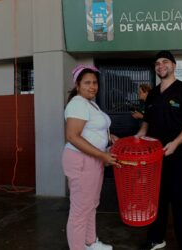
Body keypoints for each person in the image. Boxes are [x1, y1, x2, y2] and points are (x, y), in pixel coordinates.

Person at [136, 51, 182, 250]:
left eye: (165, 62)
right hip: (155, 156)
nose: (160, 66)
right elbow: (147, 122)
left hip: (179, 155)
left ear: (173, 65)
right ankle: (156, 239)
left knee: (180, 199)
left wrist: (175, 143)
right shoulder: (153, 94)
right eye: (157, 63)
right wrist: (138, 136)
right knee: (157, 198)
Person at [62, 64, 120, 250]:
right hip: (81, 160)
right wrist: (102, 154)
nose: (92, 86)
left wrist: (107, 136)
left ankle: (90, 242)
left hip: (92, 160)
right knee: (80, 209)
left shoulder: (90, 103)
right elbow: (72, 136)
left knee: (91, 204)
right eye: (87, 82)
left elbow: (91, 129)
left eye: (95, 82)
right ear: (78, 85)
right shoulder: (77, 104)